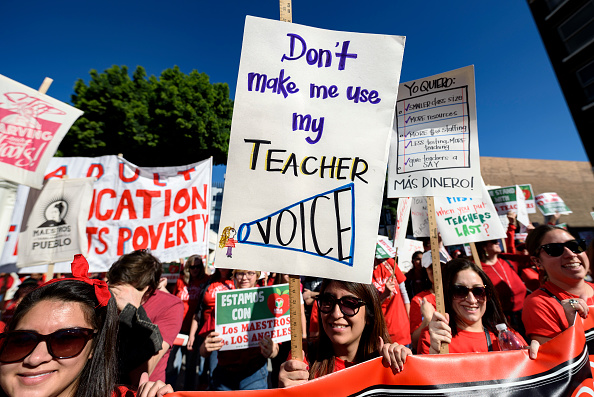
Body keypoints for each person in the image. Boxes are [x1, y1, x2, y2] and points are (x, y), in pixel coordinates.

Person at [0, 254, 172, 397]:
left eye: (66, 339)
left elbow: (147, 365)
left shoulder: (170, 305)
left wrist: (133, 312)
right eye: (21, 340)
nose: (34, 358)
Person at [279, 279, 411, 387]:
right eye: (327, 301)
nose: (336, 314)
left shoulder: (389, 363)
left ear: (369, 316)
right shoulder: (302, 358)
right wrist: (284, 393)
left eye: (349, 303)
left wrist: (408, 369)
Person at [419, 259, 538, 357]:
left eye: (478, 291)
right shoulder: (436, 337)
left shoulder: (507, 337)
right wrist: (434, 354)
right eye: (460, 291)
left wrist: (534, 357)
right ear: (447, 295)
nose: (472, 300)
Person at [108, 250, 184, 384]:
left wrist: (132, 311)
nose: (116, 293)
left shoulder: (171, 305)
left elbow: (141, 374)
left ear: (147, 290)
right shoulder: (107, 295)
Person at [199, 269, 278, 390]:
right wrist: (205, 347)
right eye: (240, 273)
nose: (244, 278)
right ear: (234, 276)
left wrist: (271, 351)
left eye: (250, 273)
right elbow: (203, 351)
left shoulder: (265, 302)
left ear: (257, 276)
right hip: (224, 375)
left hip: (254, 374)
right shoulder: (224, 303)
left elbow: (275, 349)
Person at [522, 225, 592, 345]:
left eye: (575, 245)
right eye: (555, 249)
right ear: (537, 261)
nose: (570, 254)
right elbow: (557, 360)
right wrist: (572, 326)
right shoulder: (539, 303)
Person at [169, 255, 208, 389]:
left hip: (194, 330)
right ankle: (170, 390)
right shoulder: (180, 281)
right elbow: (173, 300)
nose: (195, 269)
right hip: (177, 328)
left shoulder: (206, 280)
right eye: (192, 267)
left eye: (198, 266)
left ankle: (188, 391)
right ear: (188, 268)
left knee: (191, 366)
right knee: (172, 364)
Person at [372, 257, 411, 346]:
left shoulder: (389, 263)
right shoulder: (362, 272)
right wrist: (385, 294)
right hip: (380, 334)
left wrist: (409, 324)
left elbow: (405, 295)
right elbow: (368, 308)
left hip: (402, 331)